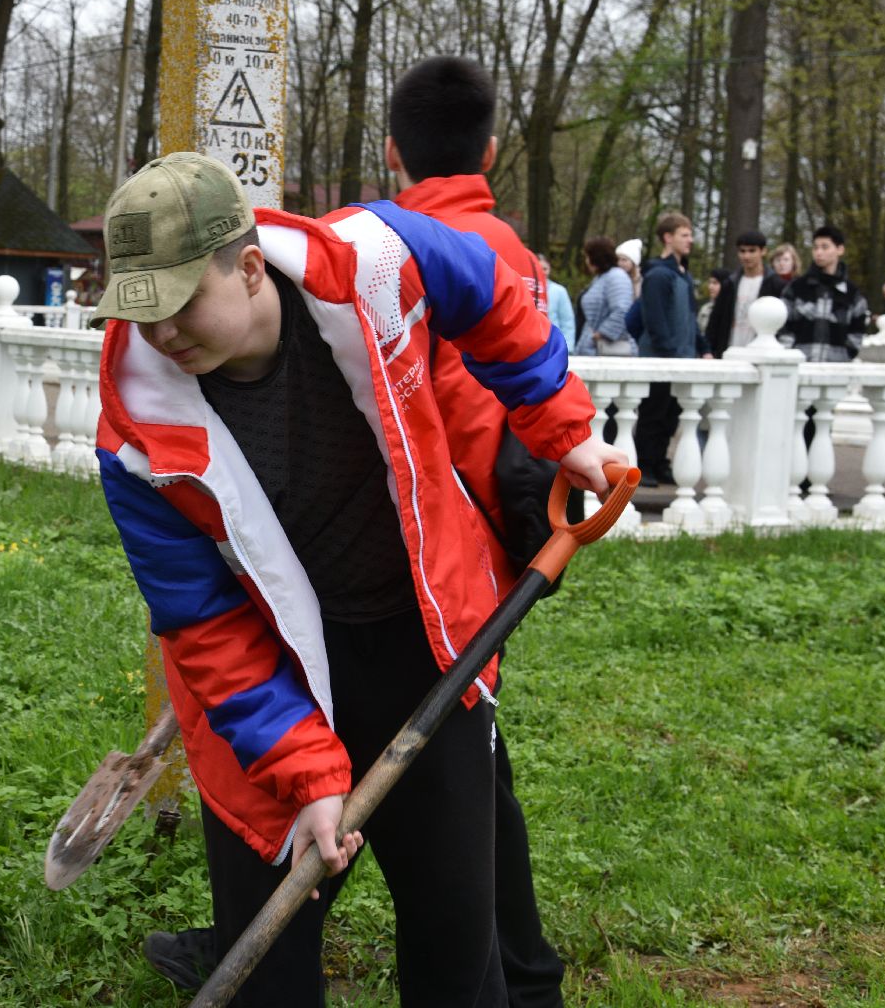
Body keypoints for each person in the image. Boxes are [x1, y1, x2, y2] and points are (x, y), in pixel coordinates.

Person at [94, 150, 625, 1006]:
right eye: (139, 311)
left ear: (252, 265)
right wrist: (306, 770)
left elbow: (495, 304)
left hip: (426, 646)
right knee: (268, 964)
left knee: (457, 949)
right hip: (270, 684)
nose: (161, 335)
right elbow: (203, 625)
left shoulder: (378, 260)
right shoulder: (136, 430)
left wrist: (564, 431)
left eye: (182, 303)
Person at [633, 212, 699, 485]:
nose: (690, 240)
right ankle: (644, 465)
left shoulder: (684, 275)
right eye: (684, 235)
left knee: (671, 415)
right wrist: (668, 351)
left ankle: (660, 461)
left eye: (690, 235)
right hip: (661, 358)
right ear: (668, 238)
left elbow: (691, 318)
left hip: (683, 358)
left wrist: (701, 348)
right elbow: (656, 319)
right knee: (653, 413)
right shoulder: (659, 275)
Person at [778, 225, 869, 362]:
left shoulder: (852, 294)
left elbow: (857, 333)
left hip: (836, 371)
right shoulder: (797, 288)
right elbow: (783, 325)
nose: (819, 252)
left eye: (825, 247)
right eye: (815, 247)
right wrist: (790, 355)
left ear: (840, 249)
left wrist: (844, 356)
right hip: (799, 367)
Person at [704, 230, 779, 356]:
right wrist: (708, 350)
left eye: (752, 251)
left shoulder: (775, 284)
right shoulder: (730, 284)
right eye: (742, 251)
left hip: (762, 354)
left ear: (763, 251)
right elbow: (715, 321)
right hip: (729, 351)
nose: (746, 256)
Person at [576, 236, 636, 357]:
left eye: (588, 257)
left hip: (607, 351)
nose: (586, 261)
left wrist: (601, 334)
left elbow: (622, 310)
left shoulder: (617, 277)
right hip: (592, 349)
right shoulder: (601, 278)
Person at [537, 252, 577, 348]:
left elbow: (567, 322)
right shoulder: (525, 289)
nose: (542, 272)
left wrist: (568, 347)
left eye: (545, 269)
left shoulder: (559, 291)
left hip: (554, 346)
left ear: (550, 269)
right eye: (539, 269)